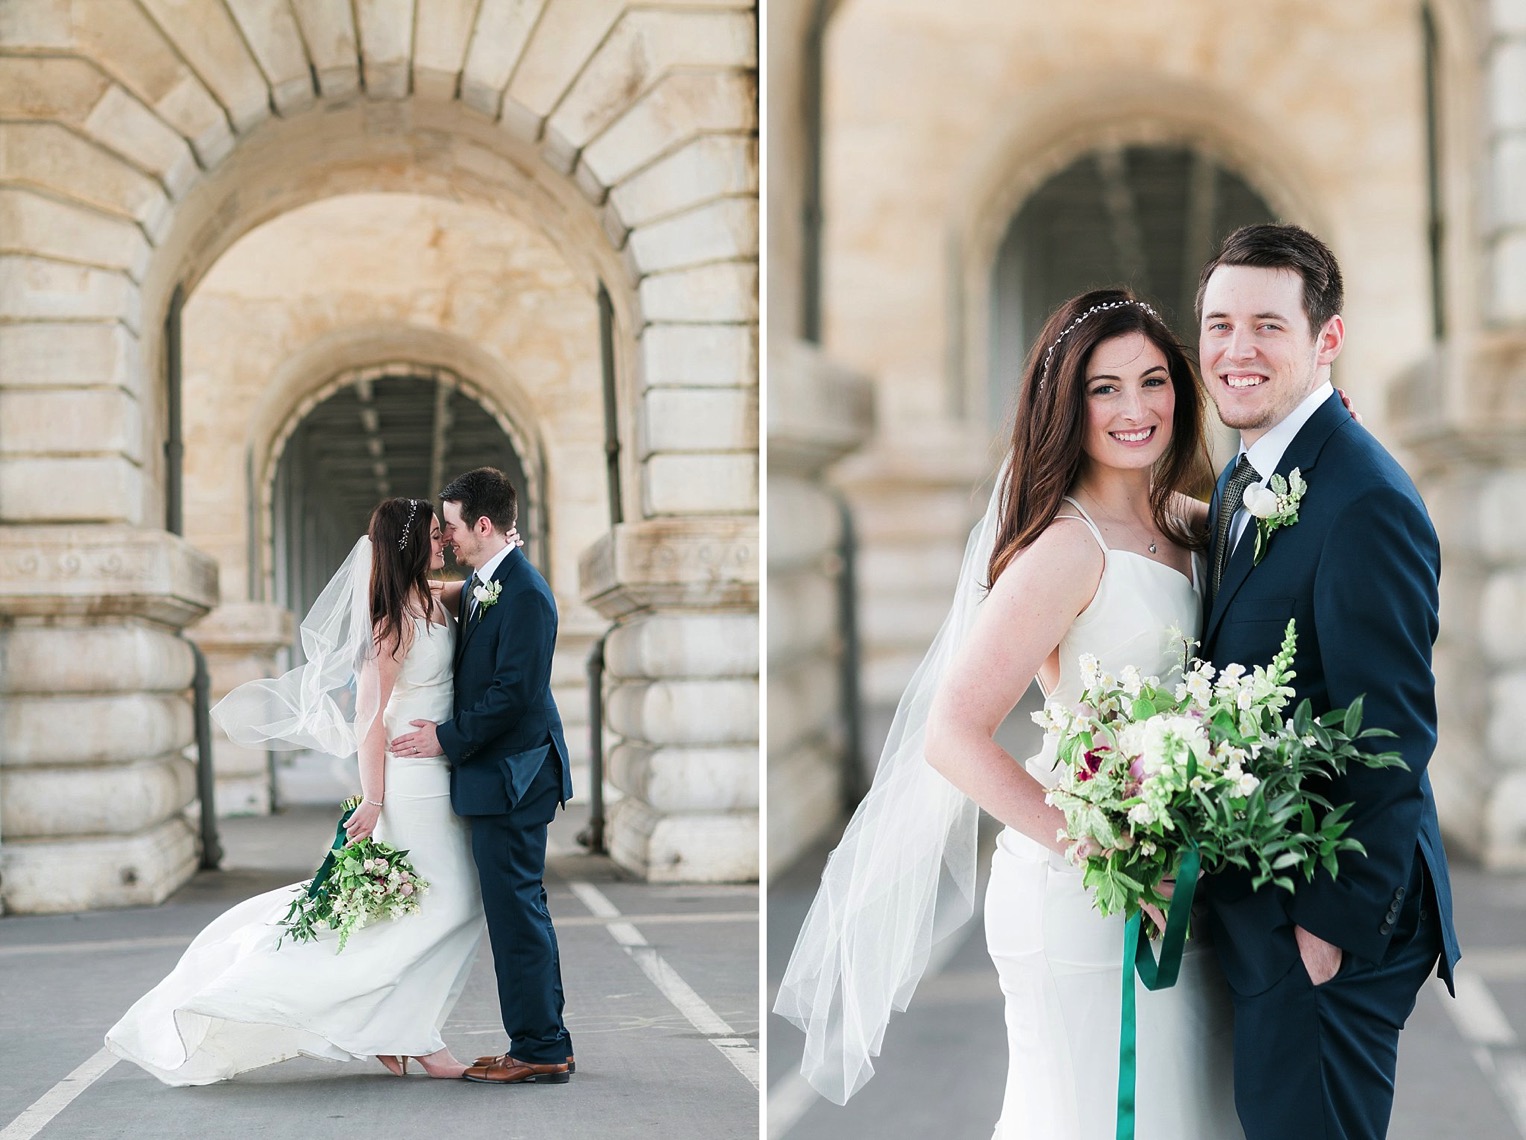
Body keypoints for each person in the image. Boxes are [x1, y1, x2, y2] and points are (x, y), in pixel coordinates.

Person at [775, 288, 1244, 1138]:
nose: (1136, 409)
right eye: (1105, 388)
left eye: (1153, 381)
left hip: (1180, 885)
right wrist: (1111, 854)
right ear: (1067, 404)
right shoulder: (1067, 547)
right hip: (1090, 893)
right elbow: (950, 734)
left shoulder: (1186, 522)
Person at [1194, 223, 1460, 1140]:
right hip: (1268, 901)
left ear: (1327, 340)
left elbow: (1389, 727)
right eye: (1219, 324)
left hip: (1328, 914)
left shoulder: (1364, 498)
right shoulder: (1242, 480)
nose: (1236, 350)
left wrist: (1330, 930)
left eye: (1267, 325)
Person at [106, 498, 489, 1084]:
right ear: (411, 544)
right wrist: (374, 799)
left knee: (442, 907)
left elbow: (482, 584)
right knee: (448, 904)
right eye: (437, 534)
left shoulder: (433, 601)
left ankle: (397, 1031)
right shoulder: (391, 624)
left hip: (441, 774)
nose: (444, 542)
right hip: (409, 786)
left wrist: (498, 561)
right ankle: (408, 1034)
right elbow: (369, 716)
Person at [389, 467, 575, 1085]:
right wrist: (423, 588)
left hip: (516, 778)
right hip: (502, 777)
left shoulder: (524, 592)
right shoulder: (485, 584)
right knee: (516, 908)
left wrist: (442, 739)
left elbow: (513, 695)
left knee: (517, 910)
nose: (447, 537)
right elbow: (460, 599)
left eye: (452, 527)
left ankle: (541, 1048)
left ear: (484, 525)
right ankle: (539, 1039)